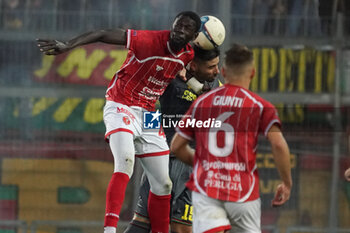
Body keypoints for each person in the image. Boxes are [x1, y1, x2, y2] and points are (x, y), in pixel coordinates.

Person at [37, 11, 201, 233]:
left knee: (164, 184)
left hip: (150, 113)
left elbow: (181, 66)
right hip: (121, 104)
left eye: (186, 28)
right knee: (125, 162)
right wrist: (69, 45)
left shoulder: (188, 53)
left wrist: (197, 84)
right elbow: (103, 33)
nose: (180, 29)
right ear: (172, 25)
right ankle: (109, 230)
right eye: (178, 24)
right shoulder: (148, 40)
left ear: (193, 35)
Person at [171, 44, 293, 233]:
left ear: (225, 72)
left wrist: (204, 163)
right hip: (243, 193)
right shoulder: (259, 105)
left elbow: (177, 146)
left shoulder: (201, 103)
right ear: (252, 73)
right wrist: (286, 183)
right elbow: (278, 144)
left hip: (208, 188)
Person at [124, 45, 221, 233]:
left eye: (217, 66)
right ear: (193, 66)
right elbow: (149, 107)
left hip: (192, 165)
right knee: (142, 223)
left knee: (181, 228)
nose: (216, 71)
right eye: (211, 67)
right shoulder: (172, 77)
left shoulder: (216, 87)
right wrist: (147, 138)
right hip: (161, 158)